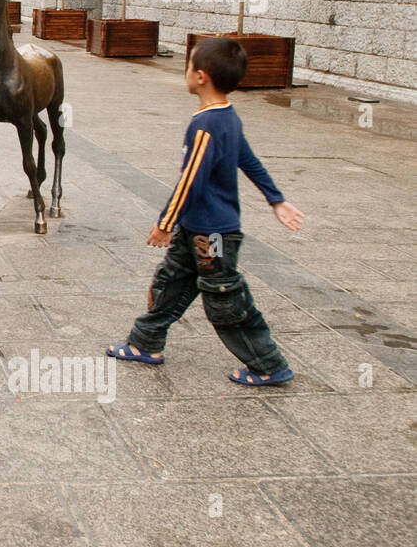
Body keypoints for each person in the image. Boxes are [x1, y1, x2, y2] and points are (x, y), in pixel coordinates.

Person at [106, 37, 305, 385]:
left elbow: (190, 181)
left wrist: (164, 223)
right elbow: (250, 162)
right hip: (196, 228)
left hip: (212, 234)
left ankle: (267, 363)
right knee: (171, 282)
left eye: (187, 67)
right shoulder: (228, 118)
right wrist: (276, 199)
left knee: (223, 299)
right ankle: (145, 342)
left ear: (200, 76)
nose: (185, 73)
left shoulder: (206, 125)